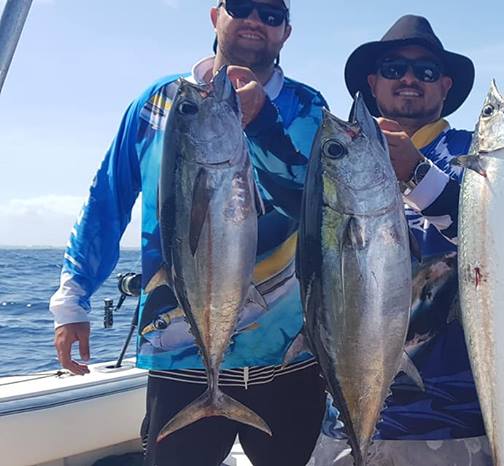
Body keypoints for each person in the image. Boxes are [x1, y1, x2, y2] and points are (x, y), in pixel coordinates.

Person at [47, 1, 328, 465]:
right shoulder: (160, 103)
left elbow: (319, 210)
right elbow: (108, 198)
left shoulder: (308, 109)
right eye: (242, 6)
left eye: (271, 14)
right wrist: (73, 297)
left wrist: (264, 126)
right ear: (216, 16)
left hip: (288, 359)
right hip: (181, 359)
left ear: (286, 33)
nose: (256, 20)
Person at [311, 15, 492, 466]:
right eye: (394, 69)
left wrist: (418, 173)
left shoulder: (477, 155)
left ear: (445, 86)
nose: (409, 78)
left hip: (451, 423)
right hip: (343, 419)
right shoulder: (341, 161)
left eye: (425, 71)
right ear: (373, 83)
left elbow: (497, 243)